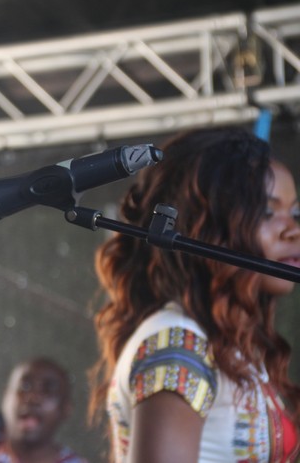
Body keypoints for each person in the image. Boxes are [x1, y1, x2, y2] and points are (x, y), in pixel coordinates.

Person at [89, 127, 300, 462]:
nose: (293, 231)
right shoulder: (179, 343)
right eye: (266, 212)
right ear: (206, 225)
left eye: (295, 213)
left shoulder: (228, 346)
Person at [0, 357, 89, 463]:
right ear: (5, 396)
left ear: (66, 408)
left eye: (48, 389)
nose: (33, 397)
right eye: (25, 386)